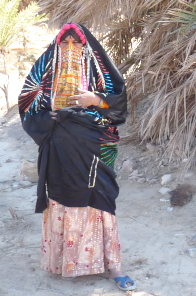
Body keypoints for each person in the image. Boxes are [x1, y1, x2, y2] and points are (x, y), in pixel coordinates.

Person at [18, 23, 135, 291]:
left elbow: (119, 103)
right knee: (62, 196)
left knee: (101, 198)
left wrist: (95, 100)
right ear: (57, 46)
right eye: (64, 43)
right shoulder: (46, 71)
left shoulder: (99, 71)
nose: (70, 48)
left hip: (96, 143)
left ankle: (113, 266)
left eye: (77, 43)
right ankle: (65, 262)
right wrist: (50, 115)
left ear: (86, 46)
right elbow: (27, 102)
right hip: (59, 144)